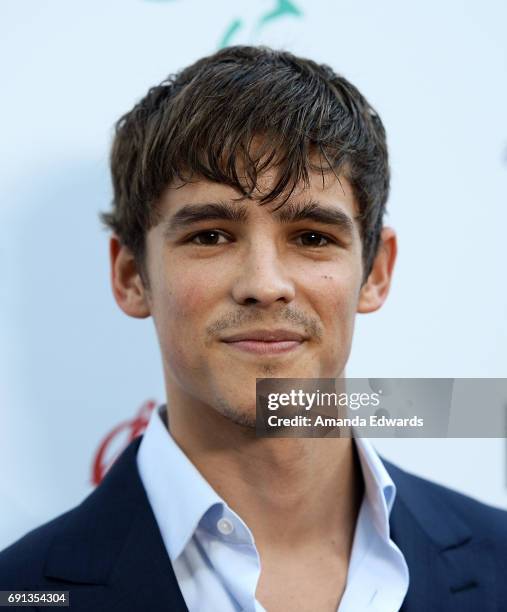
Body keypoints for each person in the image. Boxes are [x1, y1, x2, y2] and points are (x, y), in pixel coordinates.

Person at [0, 45, 505, 612]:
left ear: (375, 273)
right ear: (130, 276)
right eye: (211, 235)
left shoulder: (500, 561)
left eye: (313, 236)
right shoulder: (21, 591)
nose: (265, 284)